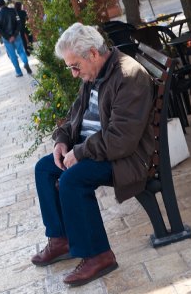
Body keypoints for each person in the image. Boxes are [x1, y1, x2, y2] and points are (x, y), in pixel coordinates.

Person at [31, 22, 155, 287]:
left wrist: (81, 152)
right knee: (44, 169)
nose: (74, 74)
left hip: (123, 157)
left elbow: (122, 140)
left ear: (93, 53)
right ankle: (61, 239)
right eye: (70, 67)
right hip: (97, 149)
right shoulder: (94, 73)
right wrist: (62, 141)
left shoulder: (128, 76)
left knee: (72, 180)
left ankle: (99, 255)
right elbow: (75, 114)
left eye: (75, 66)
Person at [0, 0, 32, 77]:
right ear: (4, 3)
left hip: (6, 39)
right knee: (21, 51)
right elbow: (19, 23)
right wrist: (14, 35)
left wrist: (8, 37)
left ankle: (18, 72)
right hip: (16, 36)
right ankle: (26, 63)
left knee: (12, 55)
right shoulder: (13, 11)